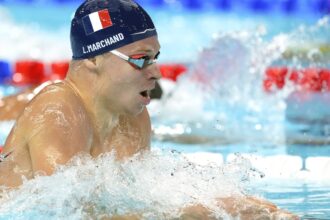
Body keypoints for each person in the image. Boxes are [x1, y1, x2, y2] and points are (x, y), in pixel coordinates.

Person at [0, 0, 297, 219]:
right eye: (141, 59)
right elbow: (67, 212)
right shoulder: (58, 109)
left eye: (155, 58)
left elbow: (132, 201)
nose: (156, 73)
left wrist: (233, 206)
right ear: (94, 60)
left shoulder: (133, 119)